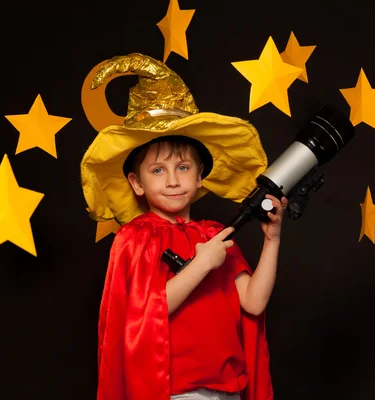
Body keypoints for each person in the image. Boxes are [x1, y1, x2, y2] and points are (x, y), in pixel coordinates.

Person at [80, 53, 286, 400]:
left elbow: (253, 302)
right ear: (136, 182)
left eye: (183, 167)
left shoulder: (215, 234)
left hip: (227, 388)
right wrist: (202, 265)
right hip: (171, 390)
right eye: (158, 170)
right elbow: (144, 315)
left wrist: (272, 241)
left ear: (201, 175)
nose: (173, 181)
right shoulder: (136, 238)